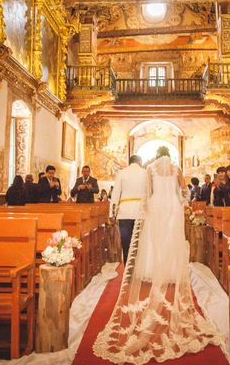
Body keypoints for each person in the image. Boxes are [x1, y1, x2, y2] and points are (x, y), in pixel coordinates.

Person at [93, 146, 221, 363]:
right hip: (171, 209)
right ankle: (170, 271)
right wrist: (181, 203)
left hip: (152, 208)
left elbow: (148, 193)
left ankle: (147, 269)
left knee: (152, 241)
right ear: (169, 156)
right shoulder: (176, 169)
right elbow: (184, 192)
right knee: (170, 239)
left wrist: (147, 208)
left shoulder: (149, 170)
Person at [110, 155, 147, 264]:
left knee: (126, 242)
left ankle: (127, 267)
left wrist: (112, 214)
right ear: (140, 162)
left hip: (124, 212)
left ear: (129, 162)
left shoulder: (122, 173)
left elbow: (115, 194)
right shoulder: (145, 173)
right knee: (139, 242)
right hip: (140, 212)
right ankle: (139, 267)